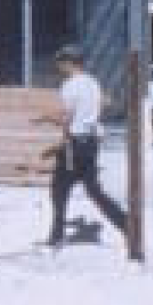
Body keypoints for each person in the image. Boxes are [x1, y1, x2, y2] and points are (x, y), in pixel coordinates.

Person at [44, 46, 128, 248]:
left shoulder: (70, 85)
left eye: (61, 63)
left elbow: (66, 117)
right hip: (91, 142)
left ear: (69, 63)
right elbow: (105, 103)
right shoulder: (93, 82)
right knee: (91, 189)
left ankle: (56, 236)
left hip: (75, 142)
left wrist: (46, 119)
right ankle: (126, 223)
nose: (59, 67)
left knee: (59, 188)